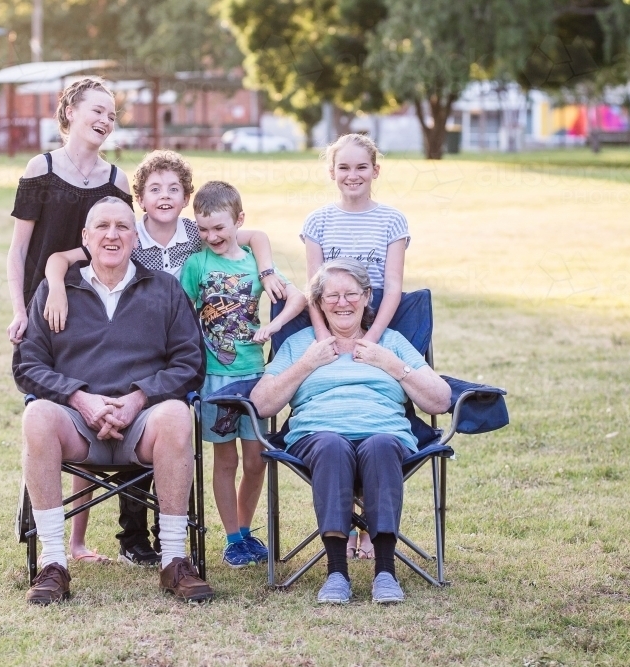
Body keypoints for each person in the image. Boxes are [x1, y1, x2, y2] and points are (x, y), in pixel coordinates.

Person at [41, 151, 286, 565]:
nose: (165, 196)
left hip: (183, 351)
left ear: (187, 196)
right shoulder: (127, 233)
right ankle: (134, 535)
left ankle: (173, 531)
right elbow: (64, 258)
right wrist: (57, 287)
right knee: (131, 427)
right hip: (136, 347)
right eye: (155, 189)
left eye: (174, 188)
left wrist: (266, 273)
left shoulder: (197, 234)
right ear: (140, 198)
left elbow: (255, 236)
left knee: (173, 432)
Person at [13, 197, 214, 604]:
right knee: (37, 415)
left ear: (135, 237)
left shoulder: (164, 289)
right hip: (76, 424)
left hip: (142, 427)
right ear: (85, 238)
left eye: (122, 226)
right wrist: (78, 396)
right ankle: (54, 563)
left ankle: (174, 559)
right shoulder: (57, 291)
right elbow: (27, 365)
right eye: (102, 227)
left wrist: (140, 398)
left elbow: (190, 362)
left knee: (176, 413)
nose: (112, 234)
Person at [249, 259, 451, 604]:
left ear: (367, 297)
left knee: (382, 445)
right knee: (331, 446)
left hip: (385, 434)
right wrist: (307, 364)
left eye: (351, 294)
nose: (342, 303)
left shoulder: (392, 341)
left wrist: (391, 364)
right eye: (332, 296)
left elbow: (440, 398)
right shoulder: (301, 344)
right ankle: (337, 572)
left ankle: (385, 571)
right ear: (319, 302)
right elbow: (262, 402)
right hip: (317, 437)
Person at [5, 77, 137, 565]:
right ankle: (42, 524)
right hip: (47, 314)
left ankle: (77, 540)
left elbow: (119, 244)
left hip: (97, 314)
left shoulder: (116, 181)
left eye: (112, 114)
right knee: (49, 415)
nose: (105, 120)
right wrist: (21, 311)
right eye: (97, 110)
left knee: (91, 412)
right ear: (71, 113)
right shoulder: (40, 168)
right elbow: (20, 250)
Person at [179, 181, 307, 568]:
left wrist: (272, 326)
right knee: (225, 461)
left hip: (256, 377)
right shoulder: (196, 264)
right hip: (215, 377)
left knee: (255, 461)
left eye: (219, 228)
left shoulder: (255, 261)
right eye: (202, 229)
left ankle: (247, 530)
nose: (211, 236)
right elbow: (181, 313)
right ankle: (234, 538)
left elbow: (299, 297)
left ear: (239, 222)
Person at [301, 133, 411, 560]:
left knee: (372, 415)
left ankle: (370, 531)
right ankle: (343, 525)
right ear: (332, 172)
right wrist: (326, 340)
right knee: (336, 420)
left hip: (377, 319)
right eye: (343, 168)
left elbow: (395, 288)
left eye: (361, 167)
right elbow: (314, 291)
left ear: (375, 171)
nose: (352, 175)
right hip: (331, 320)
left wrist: (372, 339)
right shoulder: (318, 222)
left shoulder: (392, 221)